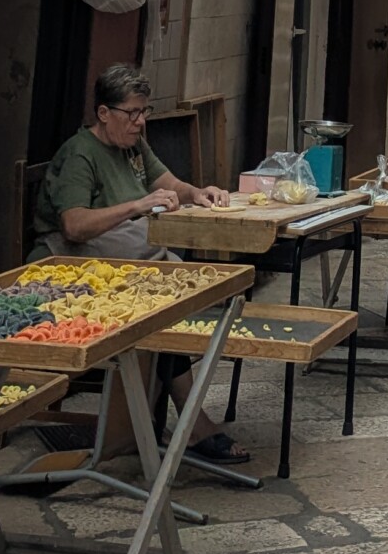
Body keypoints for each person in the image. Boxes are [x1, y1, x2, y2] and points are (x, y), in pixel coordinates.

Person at [33, 61, 246, 459]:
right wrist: (137, 205)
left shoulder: (132, 145)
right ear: (103, 113)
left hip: (124, 259)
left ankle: (171, 420)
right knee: (164, 293)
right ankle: (188, 422)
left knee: (169, 290)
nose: (140, 123)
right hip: (72, 265)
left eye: (144, 112)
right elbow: (74, 225)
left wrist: (195, 192)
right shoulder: (81, 154)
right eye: (132, 113)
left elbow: (165, 182)